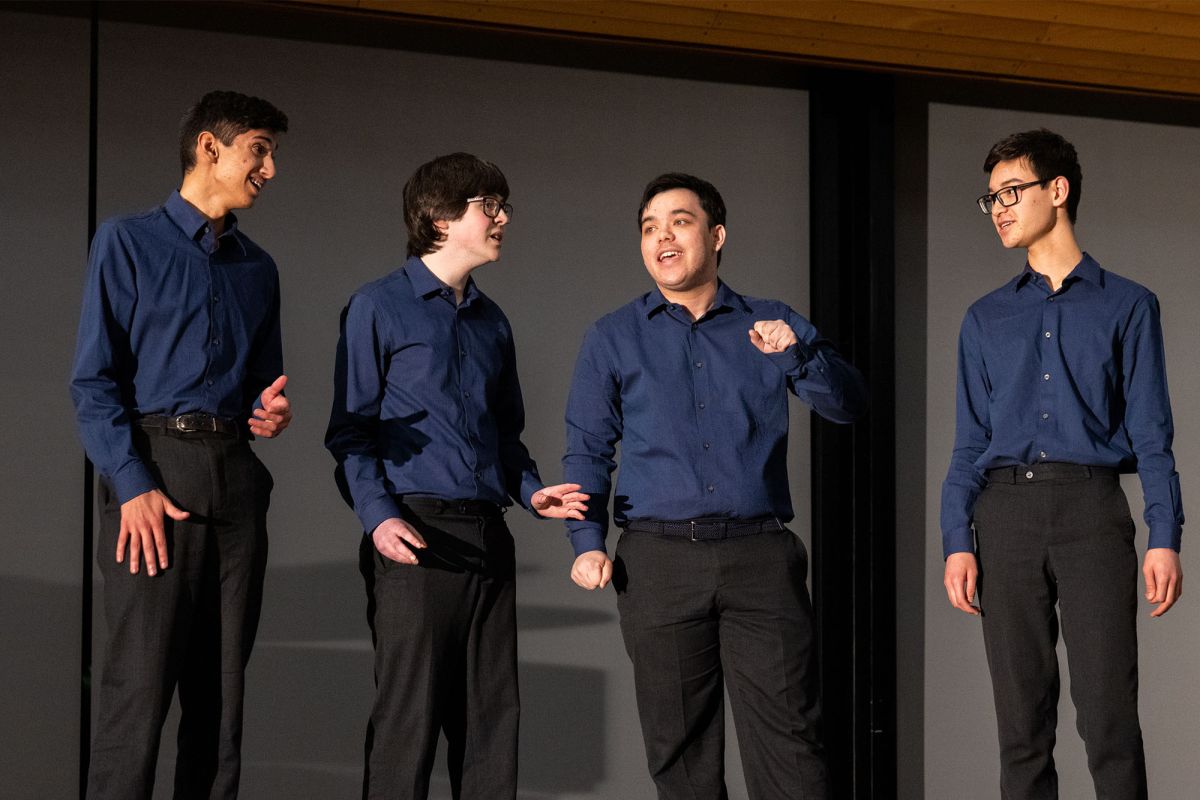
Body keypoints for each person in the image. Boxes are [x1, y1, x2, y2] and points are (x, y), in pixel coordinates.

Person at [563, 173, 867, 799]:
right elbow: (587, 448)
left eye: (678, 221)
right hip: (657, 562)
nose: (661, 237)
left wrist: (797, 356)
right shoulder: (613, 336)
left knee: (791, 742)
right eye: (649, 227)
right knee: (680, 754)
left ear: (716, 234)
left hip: (759, 557)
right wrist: (585, 540)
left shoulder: (771, 321)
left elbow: (849, 405)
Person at [325, 152, 588, 800]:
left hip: (487, 534)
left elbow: (505, 438)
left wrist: (532, 491)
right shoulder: (378, 306)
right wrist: (379, 517)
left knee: (492, 730)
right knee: (407, 728)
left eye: (503, 206)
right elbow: (349, 433)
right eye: (487, 206)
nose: (502, 218)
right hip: (415, 536)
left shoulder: (493, 323)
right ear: (440, 217)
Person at [941, 128, 1184, 799]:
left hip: (1092, 511)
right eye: (989, 198)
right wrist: (957, 539)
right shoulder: (983, 319)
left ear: (1057, 190)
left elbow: (1152, 431)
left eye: (1011, 191)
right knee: (1021, 728)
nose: (998, 208)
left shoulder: (1128, 305)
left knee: (1109, 720)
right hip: (1005, 515)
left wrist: (1165, 536)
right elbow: (968, 441)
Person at [70, 90, 291, 799]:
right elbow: (93, 382)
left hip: (235, 477)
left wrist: (269, 412)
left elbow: (263, 385)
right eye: (259, 149)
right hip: (155, 473)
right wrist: (131, 484)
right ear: (209, 147)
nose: (270, 168)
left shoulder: (259, 268)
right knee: (138, 694)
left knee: (222, 699)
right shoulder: (128, 241)